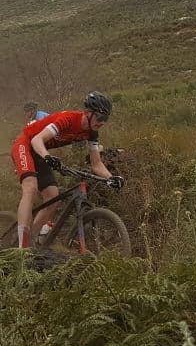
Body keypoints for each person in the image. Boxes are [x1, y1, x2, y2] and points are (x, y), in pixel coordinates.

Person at [11, 91, 122, 248]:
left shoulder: (92, 133)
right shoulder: (68, 119)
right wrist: (48, 157)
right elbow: (36, 139)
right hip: (25, 145)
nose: (102, 122)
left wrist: (111, 178)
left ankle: (32, 242)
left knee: (52, 198)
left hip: (40, 152)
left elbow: (96, 164)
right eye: (100, 117)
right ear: (88, 113)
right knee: (31, 188)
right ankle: (22, 248)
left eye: (106, 119)